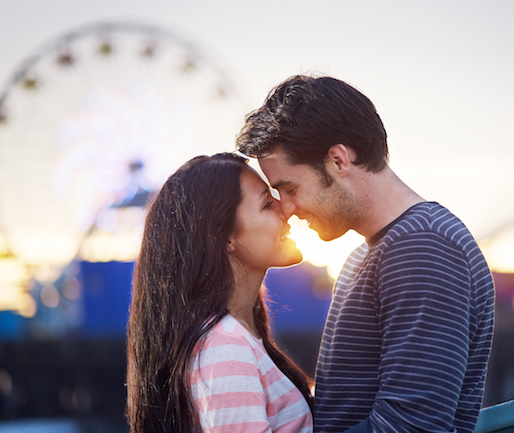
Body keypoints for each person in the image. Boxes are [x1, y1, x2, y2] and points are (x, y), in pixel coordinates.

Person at [236, 75, 495, 433]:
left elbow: (412, 428)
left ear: (339, 161)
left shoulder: (423, 249)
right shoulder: (374, 253)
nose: (288, 209)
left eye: (290, 188)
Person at [126, 153, 313, 433]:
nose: (285, 208)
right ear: (226, 237)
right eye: (266, 204)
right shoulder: (224, 346)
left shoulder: (237, 338)